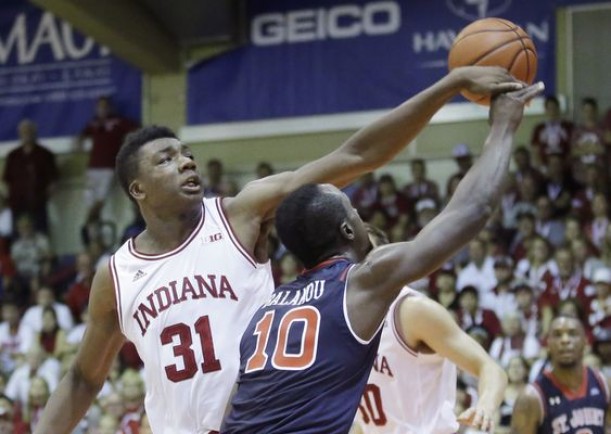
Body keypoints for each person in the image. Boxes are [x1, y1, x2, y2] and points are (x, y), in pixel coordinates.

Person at [36, 66, 525, 434]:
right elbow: (83, 379)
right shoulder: (117, 274)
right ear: (137, 189)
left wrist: (446, 86)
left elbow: (356, 155)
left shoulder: (239, 215)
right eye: (167, 159)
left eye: (188, 153)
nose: (186, 162)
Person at [222, 83, 544, 433]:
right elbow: (473, 209)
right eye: (354, 212)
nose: (360, 215)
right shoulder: (357, 283)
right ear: (348, 231)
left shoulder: (268, 310)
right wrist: (504, 125)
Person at [351, 225, 507, 434]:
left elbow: (490, 368)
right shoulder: (346, 322)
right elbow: (367, 419)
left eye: (367, 252)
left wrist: (484, 407)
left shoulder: (412, 310)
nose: (360, 262)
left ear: (387, 261)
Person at [510, 316, 610, 433]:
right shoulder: (531, 398)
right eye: (557, 335)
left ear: (585, 341)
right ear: (548, 344)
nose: (565, 340)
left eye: (572, 334)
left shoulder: (604, 383)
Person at [75, 96, 139, 215]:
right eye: (100, 106)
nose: (102, 109)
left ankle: (93, 220)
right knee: (89, 199)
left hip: (108, 166)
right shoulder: (94, 123)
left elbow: (136, 129)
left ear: (110, 108)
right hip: (92, 166)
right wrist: (78, 143)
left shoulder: (118, 121)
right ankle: (92, 226)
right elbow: (82, 135)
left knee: (101, 199)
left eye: (105, 106)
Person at [2, 119, 58, 234]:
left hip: (38, 204)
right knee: (17, 238)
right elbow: (5, 181)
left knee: (41, 235)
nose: (27, 134)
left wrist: (44, 198)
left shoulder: (45, 154)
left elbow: (53, 182)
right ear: (19, 134)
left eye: (29, 131)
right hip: (17, 205)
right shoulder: (13, 156)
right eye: (24, 132)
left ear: (35, 133)